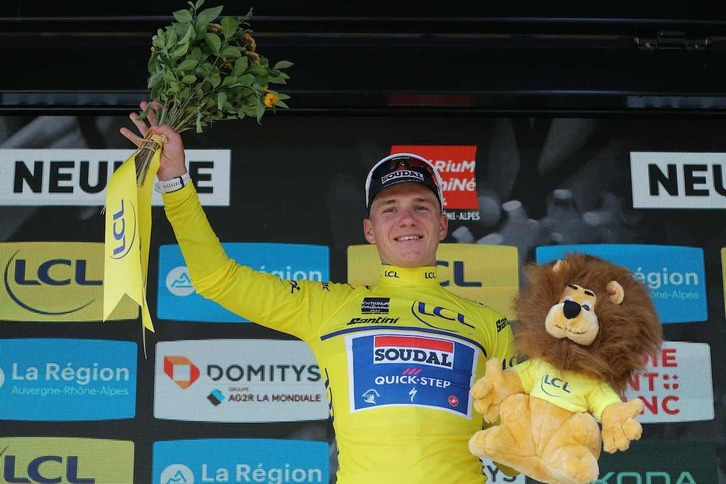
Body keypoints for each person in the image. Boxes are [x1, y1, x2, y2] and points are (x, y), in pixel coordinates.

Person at [121, 102, 516, 483]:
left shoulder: (490, 324)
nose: (407, 219)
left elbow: (514, 456)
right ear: (369, 231)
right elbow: (216, 278)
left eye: (422, 207)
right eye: (389, 209)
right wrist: (174, 180)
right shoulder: (331, 306)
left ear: (443, 225)